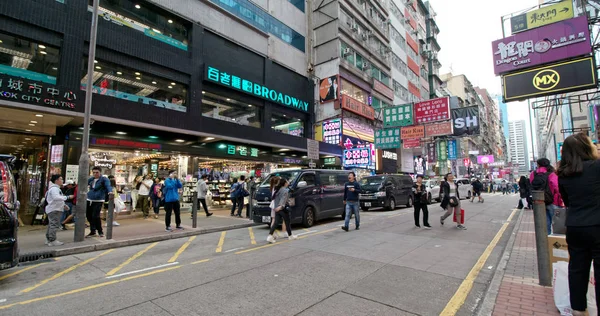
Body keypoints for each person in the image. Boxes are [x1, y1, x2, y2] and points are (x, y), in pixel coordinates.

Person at [556, 133, 600, 316]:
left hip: (574, 227)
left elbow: (567, 201)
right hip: (597, 225)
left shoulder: (563, 175)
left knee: (577, 269)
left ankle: (578, 310)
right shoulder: (597, 167)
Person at [530, 158, 562, 234]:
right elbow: (557, 187)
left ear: (538, 165)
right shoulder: (551, 174)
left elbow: (532, 185)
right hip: (553, 201)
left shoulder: (533, 174)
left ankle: (546, 241)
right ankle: (555, 242)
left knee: (545, 225)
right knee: (557, 224)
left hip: (539, 202)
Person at [45, 174, 74, 246]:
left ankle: (49, 239)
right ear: (56, 180)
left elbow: (57, 198)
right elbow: (56, 198)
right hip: (55, 209)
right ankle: (52, 240)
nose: (62, 181)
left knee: (51, 224)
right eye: (61, 179)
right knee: (54, 224)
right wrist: (67, 197)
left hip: (54, 208)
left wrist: (64, 205)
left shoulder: (54, 188)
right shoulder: (55, 189)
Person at [266, 178, 297, 243]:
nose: (288, 182)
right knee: (287, 222)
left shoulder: (277, 189)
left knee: (276, 223)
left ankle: (270, 236)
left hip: (276, 208)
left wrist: (277, 207)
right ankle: (290, 236)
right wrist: (281, 206)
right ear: (285, 183)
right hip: (282, 208)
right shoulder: (285, 190)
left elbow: (275, 199)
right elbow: (283, 199)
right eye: (287, 181)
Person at [86, 167, 112, 238]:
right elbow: (84, 184)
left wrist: (110, 192)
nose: (95, 174)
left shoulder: (104, 179)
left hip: (98, 200)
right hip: (89, 199)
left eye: (97, 172)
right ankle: (93, 231)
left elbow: (108, 186)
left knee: (95, 216)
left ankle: (100, 231)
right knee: (89, 216)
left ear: (100, 172)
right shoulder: (91, 179)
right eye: (93, 172)